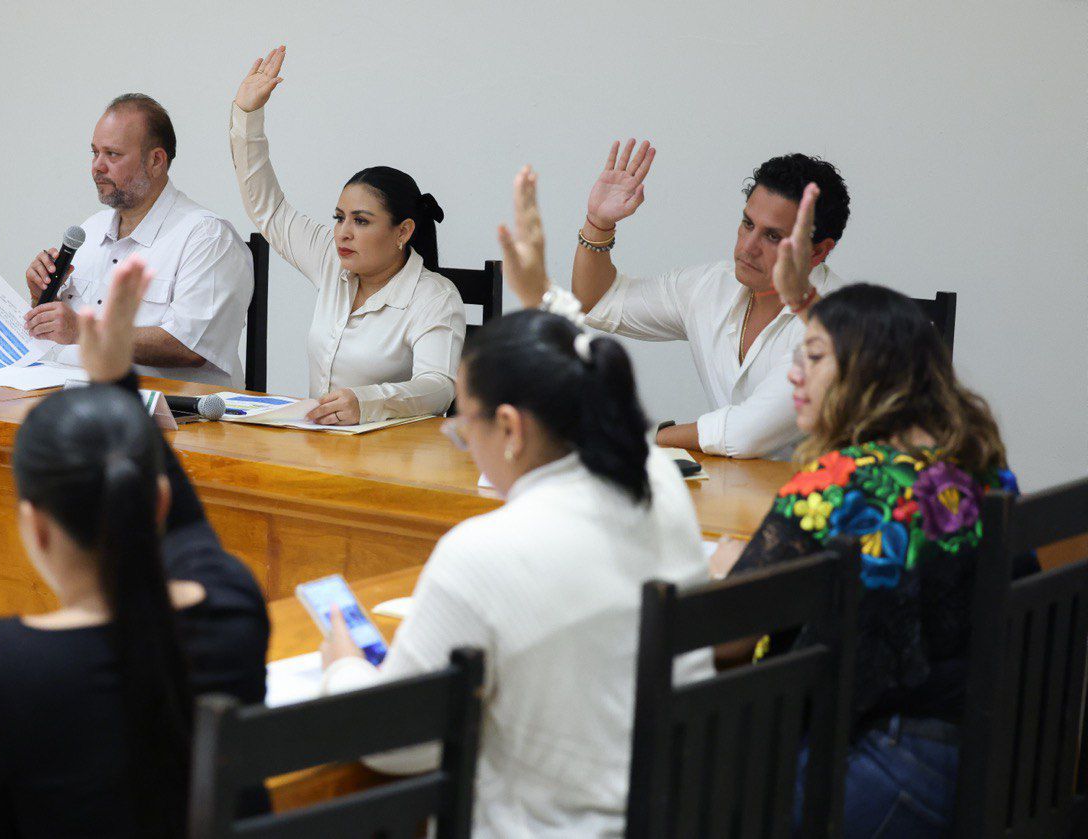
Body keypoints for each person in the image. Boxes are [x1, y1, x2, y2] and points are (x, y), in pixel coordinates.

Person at [318, 168, 713, 837]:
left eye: (463, 425)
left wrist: (345, 664)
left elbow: (394, 744)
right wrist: (543, 300)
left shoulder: (482, 551)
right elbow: (599, 383)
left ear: (511, 428)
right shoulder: (660, 486)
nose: (462, 440)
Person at [0, 256, 269, 838]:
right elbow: (190, 529)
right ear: (158, 504)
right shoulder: (232, 608)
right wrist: (116, 378)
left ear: (35, 528)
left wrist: (111, 379)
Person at [711, 283, 1024, 837]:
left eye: (813, 357)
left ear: (867, 370)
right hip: (1000, 760)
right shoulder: (979, 468)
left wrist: (724, 574)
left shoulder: (841, 480)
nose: (793, 376)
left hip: (886, 770)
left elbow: (726, 641)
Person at [565, 142, 851, 459]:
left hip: (829, 503)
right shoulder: (712, 286)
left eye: (773, 237)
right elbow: (597, 301)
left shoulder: (840, 322)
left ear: (818, 251)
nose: (748, 247)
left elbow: (745, 434)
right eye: (747, 224)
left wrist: (644, 436)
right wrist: (598, 223)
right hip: (735, 493)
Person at [229, 46, 466, 425]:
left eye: (361, 221)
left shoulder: (434, 296)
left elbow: (438, 386)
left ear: (403, 231)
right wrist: (247, 116)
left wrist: (367, 402)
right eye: (339, 218)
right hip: (318, 444)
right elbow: (268, 209)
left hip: (390, 460)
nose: (343, 233)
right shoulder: (331, 259)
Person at [23, 93, 255, 388]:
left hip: (169, 418)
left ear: (156, 160)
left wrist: (83, 330)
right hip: (69, 400)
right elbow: (63, 332)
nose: (97, 166)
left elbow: (189, 346)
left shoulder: (206, 237)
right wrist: (42, 300)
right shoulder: (89, 231)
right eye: (95, 153)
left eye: (113, 155)